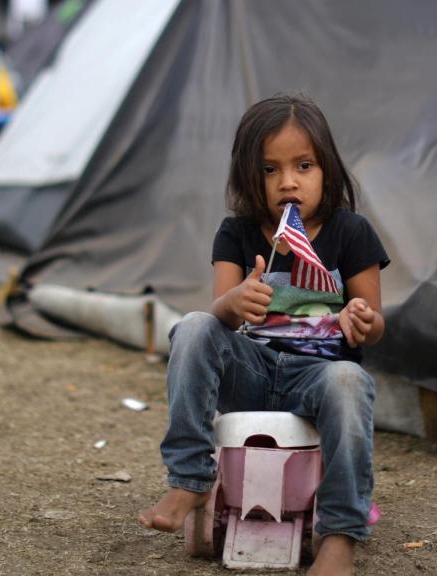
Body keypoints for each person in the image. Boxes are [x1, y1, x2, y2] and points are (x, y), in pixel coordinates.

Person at [138, 93, 389, 576]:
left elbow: (373, 324)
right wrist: (233, 304)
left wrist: (362, 318)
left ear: (327, 170)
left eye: (304, 165)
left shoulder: (351, 233)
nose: (288, 181)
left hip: (318, 378)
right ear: (247, 176)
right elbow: (219, 320)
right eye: (270, 169)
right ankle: (190, 477)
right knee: (192, 326)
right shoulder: (235, 233)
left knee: (349, 381)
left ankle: (339, 534)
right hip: (250, 372)